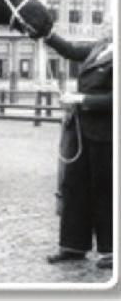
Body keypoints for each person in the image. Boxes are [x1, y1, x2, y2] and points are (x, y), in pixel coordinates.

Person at [44, 31, 113, 269]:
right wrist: (46, 35)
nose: (107, 24)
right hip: (82, 130)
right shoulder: (100, 46)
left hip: (108, 134)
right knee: (74, 186)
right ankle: (73, 246)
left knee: (105, 189)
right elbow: (71, 50)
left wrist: (82, 100)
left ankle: (111, 250)